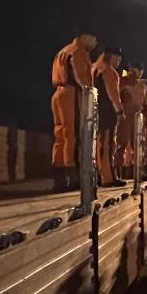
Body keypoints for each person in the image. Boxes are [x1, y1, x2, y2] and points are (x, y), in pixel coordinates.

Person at [50, 30, 97, 191]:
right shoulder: (79, 51)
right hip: (71, 95)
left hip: (58, 93)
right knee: (73, 135)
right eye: (94, 39)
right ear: (85, 37)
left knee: (60, 134)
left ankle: (59, 178)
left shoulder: (63, 51)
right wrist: (89, 93)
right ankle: (73, 177)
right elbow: (80, 76)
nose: (95, 43)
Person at [92, 46, 126, 187]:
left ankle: (99, 176)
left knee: (97, 145)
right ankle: (108, 177)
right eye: (118, 58)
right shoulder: (109, 72)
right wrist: (119, 111)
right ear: (110, 56)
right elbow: (113, 94)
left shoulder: (94, 68)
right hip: (107, 112)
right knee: (108, 145)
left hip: (95, 110)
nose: (119, 62)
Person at [117, 61, 147, 177]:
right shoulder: (130, 82)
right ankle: (130, 171)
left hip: (132, 117)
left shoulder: (126, 81)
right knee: (128, 144)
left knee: (127, 144)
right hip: (129, 116)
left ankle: (125, 171)